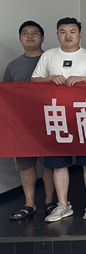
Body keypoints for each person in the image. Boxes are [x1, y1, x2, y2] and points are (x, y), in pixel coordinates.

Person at [31, 17, 86, 223]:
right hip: (56, 116)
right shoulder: (48, 55)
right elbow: (34, 80)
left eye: (72, 31)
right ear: (57, 35)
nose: (68, 35)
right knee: (58, 162)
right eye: (63, 31)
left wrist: (84, 80)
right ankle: (63, 204)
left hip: (85, 116)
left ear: (80, 34)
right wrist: (50, 78)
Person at [4, 21, 55, 221]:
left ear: (43, 38)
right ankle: (29, 203)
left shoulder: (51, 60)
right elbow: (6, 96)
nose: (30, 36)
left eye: (35, 33)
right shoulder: (13, 66)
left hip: (48, 120)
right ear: (20, 38)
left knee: (49, 163)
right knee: (26, 164)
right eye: (25, 33)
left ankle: (50, 202)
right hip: (22, 123)